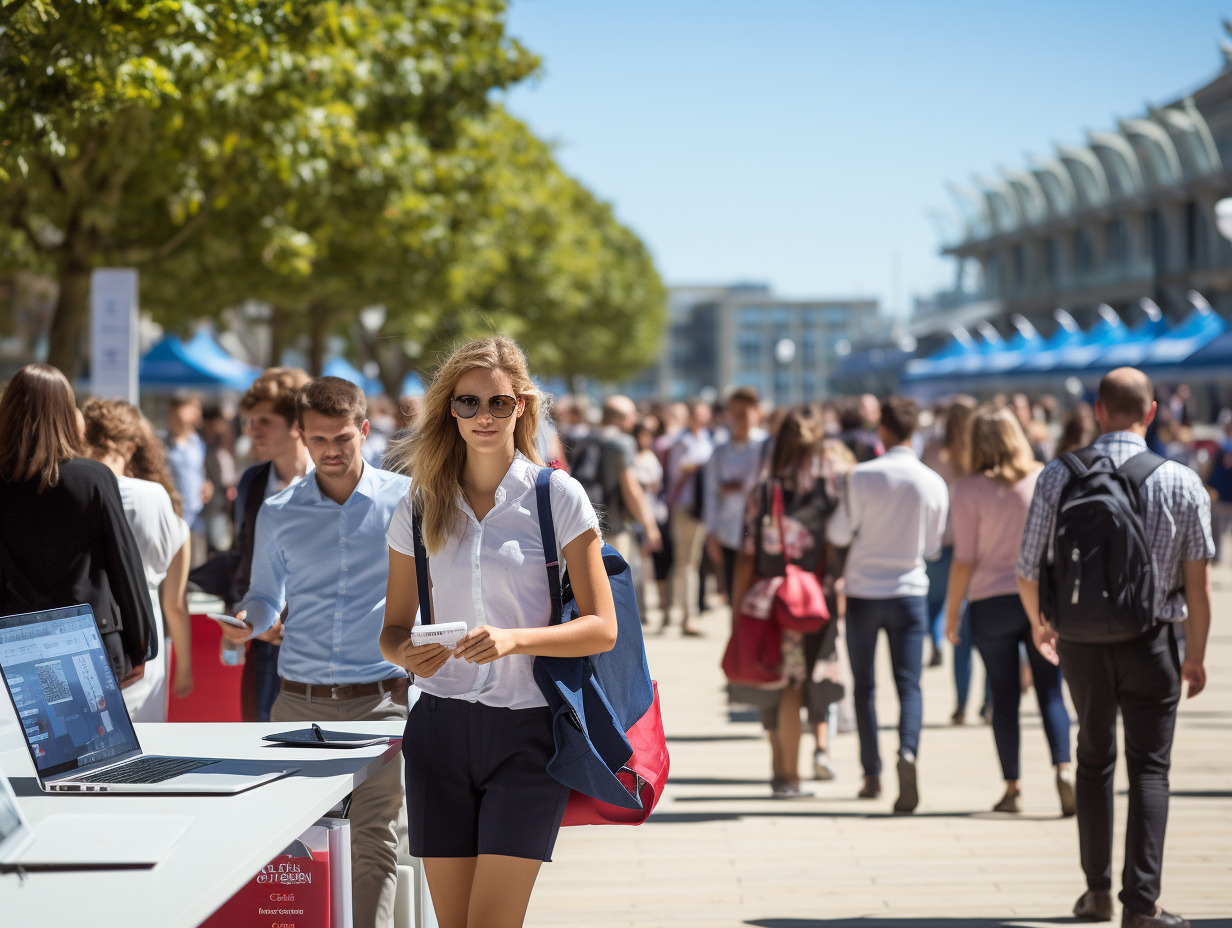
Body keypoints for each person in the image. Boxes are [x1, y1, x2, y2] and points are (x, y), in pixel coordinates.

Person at [380, 336, 616, 928]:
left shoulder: (555, 496)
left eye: (499, 403)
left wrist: (516, 639)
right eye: (468, 403)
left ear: (522, 408)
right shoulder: (417, 505)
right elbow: (390, 630)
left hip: (528, 734)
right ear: (449, 412)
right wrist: (408, 655)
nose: (483, 416)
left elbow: (602, 627)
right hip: (438, 730)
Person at [1017, 367, 1213, 928]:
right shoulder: (1181, 480)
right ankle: (1141, 905)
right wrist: (1194, 655)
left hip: (1079, 640)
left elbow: (1027, 568)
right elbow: (1197, 587)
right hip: (1151, 639)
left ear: (1098, 411)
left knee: (1093, 759)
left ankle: (1096, 892)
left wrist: (1041, 625)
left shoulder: (1058, 475)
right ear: (1152, 413)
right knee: (1150, 769)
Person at [221, 376, 411, 928]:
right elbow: (263, 597)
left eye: (343, 439)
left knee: (374, 841)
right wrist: (246, 623)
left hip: (381, 702)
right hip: (297, 708)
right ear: (301, 435)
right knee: (295, 848)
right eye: (319, 439)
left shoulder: (405, 503)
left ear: (365, 432)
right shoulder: (278, 510)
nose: (331, 451)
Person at [945, 404, 1072, 814]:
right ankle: (1063, 766)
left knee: (1003, 696)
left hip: (989, 602)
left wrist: (951, 613)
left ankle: (1013, 786)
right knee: (1050, 690)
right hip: (1039, 600)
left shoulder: (967, 490)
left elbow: (963, 558)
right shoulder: (1044, 479)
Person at [828, 395, 947, 813]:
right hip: (909, 590)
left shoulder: (861, 475)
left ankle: (871, 772)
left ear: (883, 430)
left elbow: (840, 533)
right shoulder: (933, 481)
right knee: (909, 684)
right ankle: (908, 750)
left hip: (863, 590)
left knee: (865, 687)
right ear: (913, 431)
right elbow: (933, 547)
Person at [0, 364, 154, 685]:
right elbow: (124, 565)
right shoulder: (93, 478)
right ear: (65, 414)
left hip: (14, 642)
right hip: (90, 640)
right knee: (94, 733)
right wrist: (141, 647)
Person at [729, 407, 837, 797]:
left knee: (769, 679)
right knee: (793, 687)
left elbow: (745, 553)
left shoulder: (764, 490)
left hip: (764, 599)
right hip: (811, 604)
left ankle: (779, 766)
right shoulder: (829, 488)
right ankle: (789, 776)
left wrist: (736, 609)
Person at [82, 398, 194, 721]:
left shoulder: (73, 491)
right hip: (145, 639)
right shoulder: (155, 496)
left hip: (88, 637)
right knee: (142, 757)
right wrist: (184, 667)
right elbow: (174, 601)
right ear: (132, 447)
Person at [229, 367, 312, 721]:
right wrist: (248, 615)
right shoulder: (252, 480)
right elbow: (243, 559)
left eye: (265, 420)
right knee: (258, 741)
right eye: (251, 420)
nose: (253, 430)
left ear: (297, 425)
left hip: (321, 649)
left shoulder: (332, 479)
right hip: (265, 646)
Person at [566, 394, 662, 589]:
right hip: (614, 525)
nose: (635, 419)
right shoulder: (623, 443)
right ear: (620, 418)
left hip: (583, 521)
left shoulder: (585, 438)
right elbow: (630, 488)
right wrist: (650, 526)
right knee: (616, 586)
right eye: (632, 414)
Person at [704, 386, 768, 602]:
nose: (740, 419)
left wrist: (736, 487)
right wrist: (711, 533)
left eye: (745, 413)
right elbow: (711, 493)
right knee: (735, 596)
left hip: (761, 533)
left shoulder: (766, 445)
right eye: (735, 413)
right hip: (729, 532)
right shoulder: (720, 449)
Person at [663, 398, 713, 635]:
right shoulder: (682, 442)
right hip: (684, 507)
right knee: (686, 562)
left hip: (701, 507)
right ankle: (686, 615)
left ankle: (678, 610)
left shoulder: (706, 438)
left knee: (690, 561)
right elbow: (676, 472)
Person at [163, 393, 210, 564]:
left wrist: (206, 483)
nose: (198, 413)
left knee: (196, 568)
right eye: (193, 408)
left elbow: (200, 471)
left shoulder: (198, 442)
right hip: (172, 516)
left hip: (195, 515)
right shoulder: (162, 443)